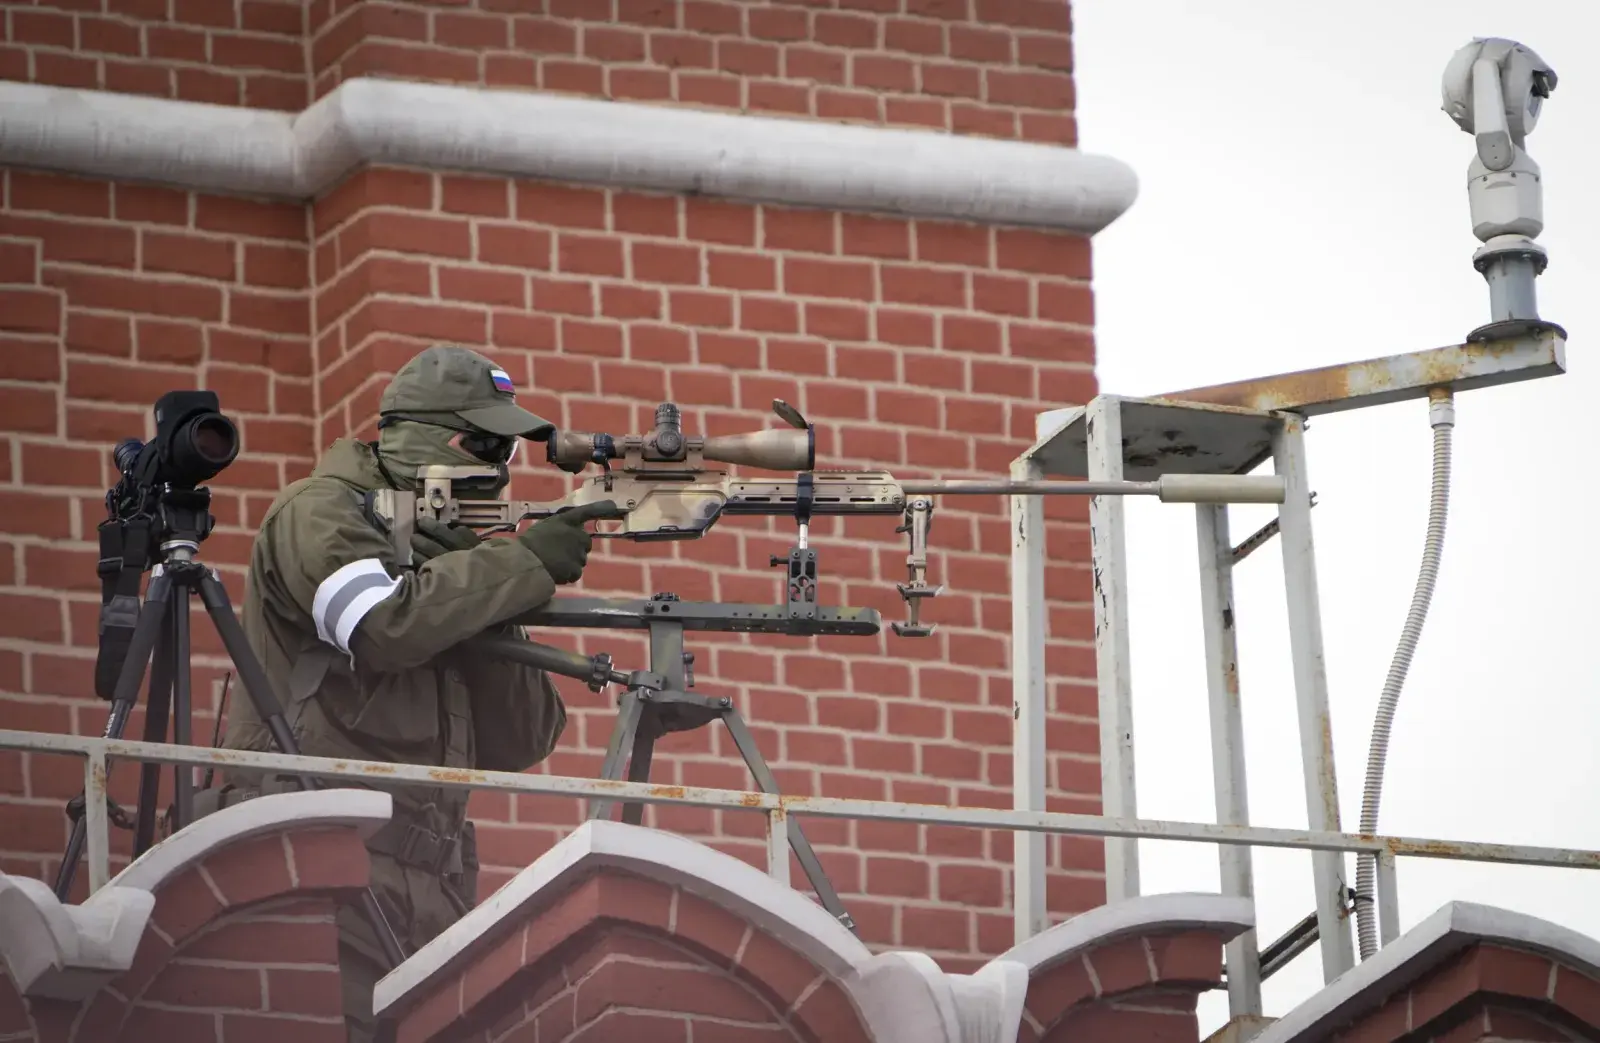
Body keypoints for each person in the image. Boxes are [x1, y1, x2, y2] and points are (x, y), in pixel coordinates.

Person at [209, 345, 622, 1041]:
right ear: (420, 437)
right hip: (312, 874)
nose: (497, 468)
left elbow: (523, 739)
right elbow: (381, 626)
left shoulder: (447, 560)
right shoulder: (320, 512)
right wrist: (517, 563)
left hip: (433, 897)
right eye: (483, 443)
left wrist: (489, 577)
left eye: (508, 450)